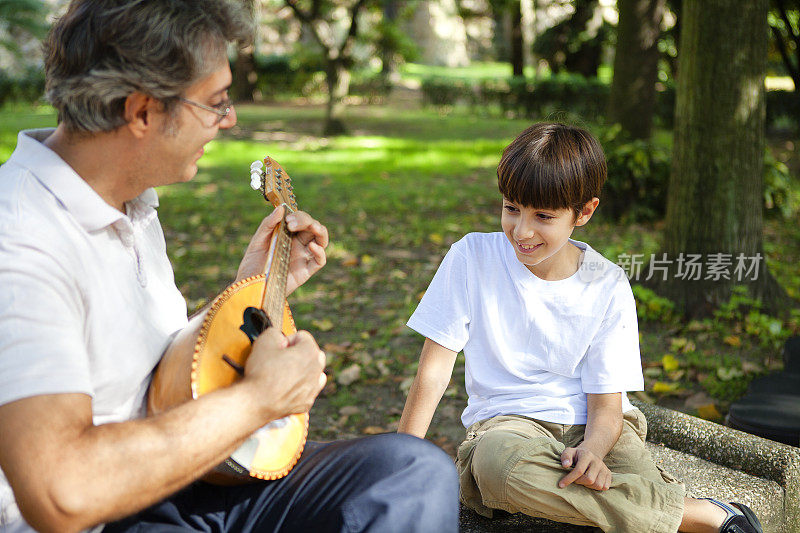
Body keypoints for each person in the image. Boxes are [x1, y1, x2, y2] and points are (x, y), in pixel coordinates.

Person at [0, 1, 458, 532]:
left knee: (408, 472)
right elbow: (63, 492)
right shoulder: (21, 241)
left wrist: (252, 287)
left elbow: (145, 375)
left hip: (190, 475)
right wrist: (259, 400)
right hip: (108, 515)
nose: (230, 118)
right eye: (216, 102)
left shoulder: (128, 203)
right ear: (143, 111)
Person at [396, 122, 763, 533]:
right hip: (508, 427)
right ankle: (698, 515)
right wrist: (399, 462)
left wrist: (592, 449)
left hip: (597, 427)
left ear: (584, 212)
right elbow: (433, 371)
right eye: (511, 208)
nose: (522, 231)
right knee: (496, 468)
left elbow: (607, 405)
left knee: (628, 473)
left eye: (544, 216)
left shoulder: (606, 284)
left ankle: (650, 507)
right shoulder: (471, 257)